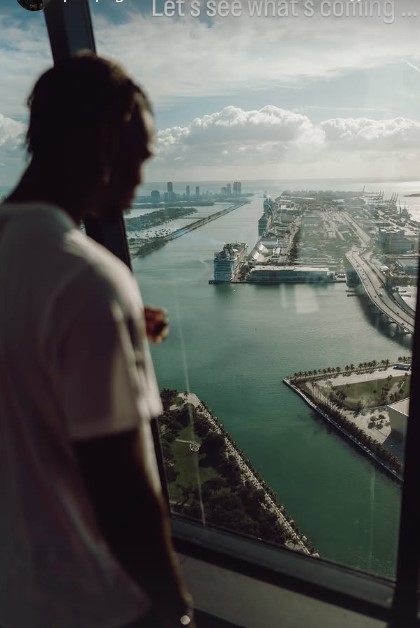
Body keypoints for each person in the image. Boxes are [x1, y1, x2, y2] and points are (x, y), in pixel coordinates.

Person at [0, 54, 194, 628]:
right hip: (93, 603)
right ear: (108, 140)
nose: (143, 178)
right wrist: (174, 610)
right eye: (143, 156)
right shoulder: (86, 279)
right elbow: (124, 492)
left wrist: (121, 324)